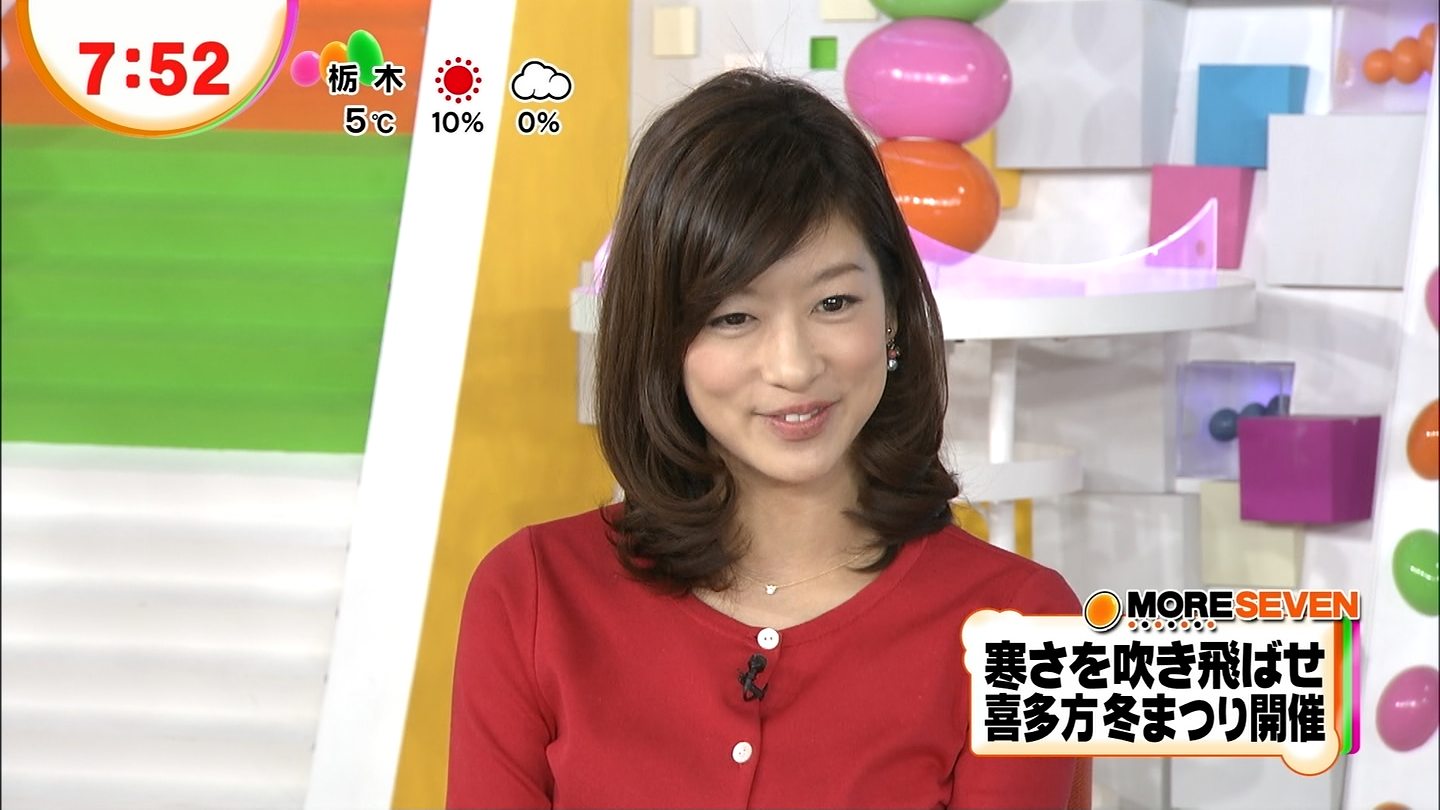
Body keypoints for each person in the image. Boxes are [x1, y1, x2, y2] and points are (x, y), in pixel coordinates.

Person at [448, 68, 1084, 810]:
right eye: (733, 317)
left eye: (833, 303)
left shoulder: (1027, 626)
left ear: (892, 314)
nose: (793, 366)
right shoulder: (529, 594)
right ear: (662, 341)